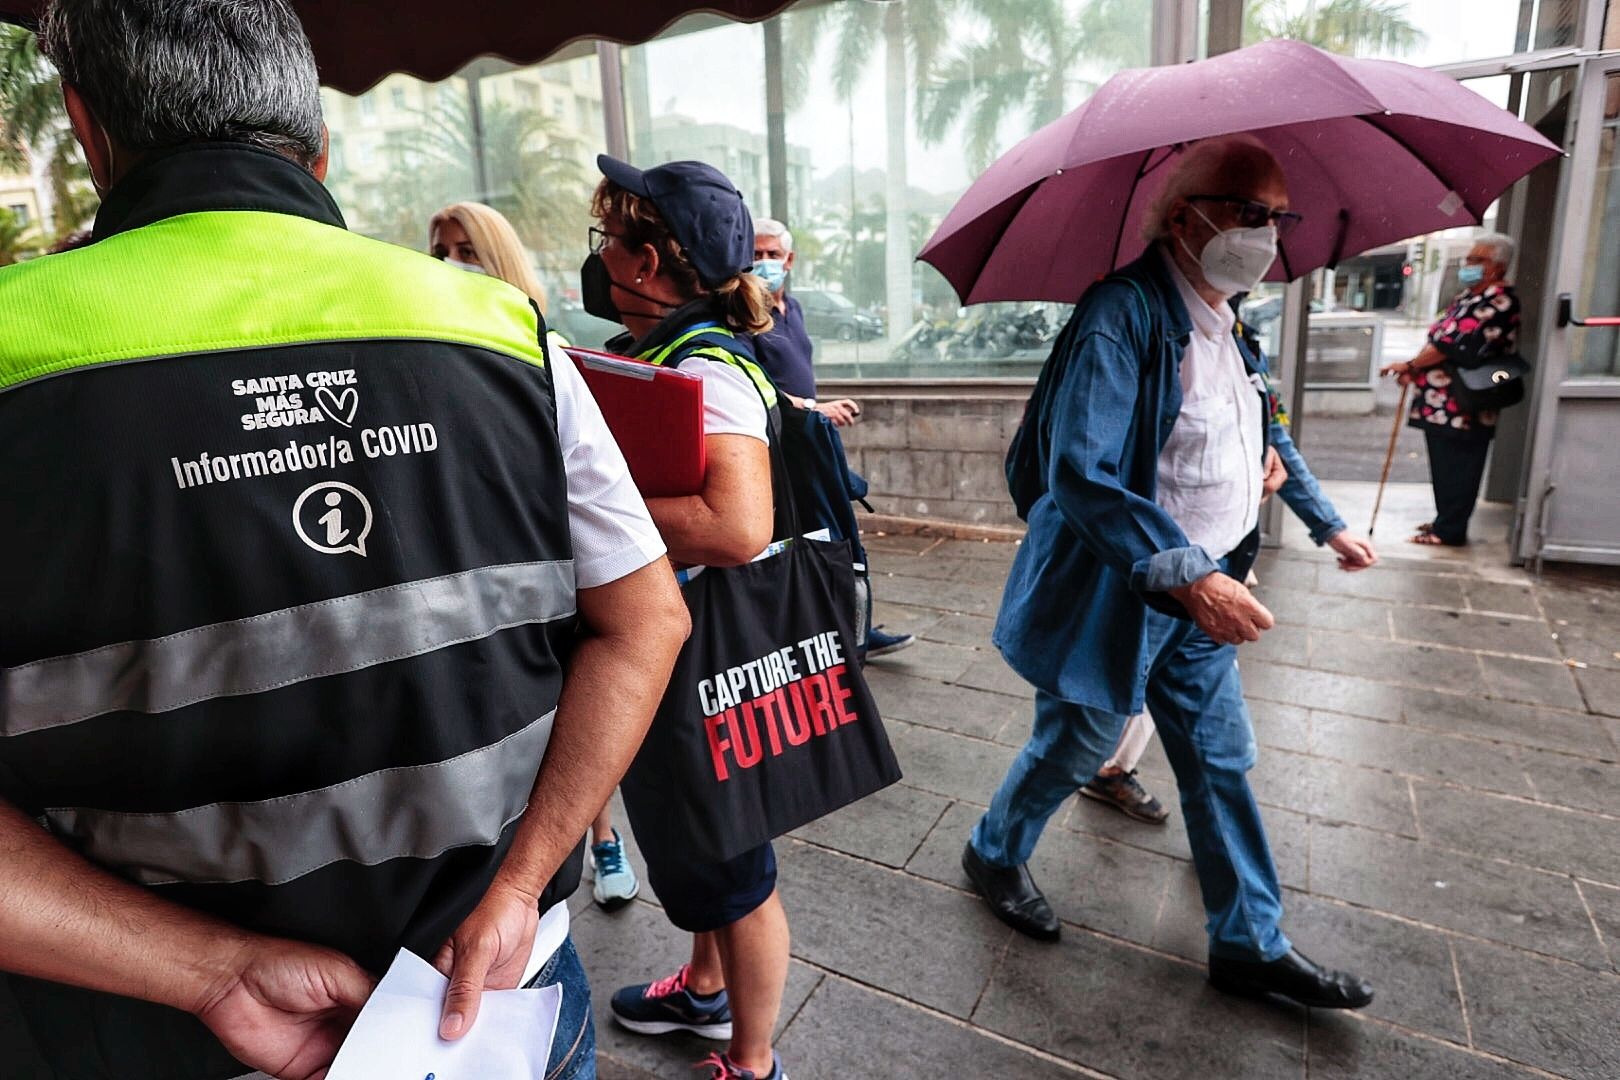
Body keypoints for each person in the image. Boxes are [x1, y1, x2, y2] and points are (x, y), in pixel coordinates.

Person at [0, 5, 690, 1080]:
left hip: (149, 1035)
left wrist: (212, 969)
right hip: (494, 1005)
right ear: (315, 145)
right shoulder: (502, 330)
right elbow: (648, 619)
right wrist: (518, 887)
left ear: (89, 131)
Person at [962, 134, 1374, 1011]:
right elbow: (1082, 469)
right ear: (1185, 215)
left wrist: (1321, 520)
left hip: (1206, 593)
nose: (1265, 234)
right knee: (1076, 742)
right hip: (1128, 589)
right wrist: (1190, 574)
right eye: (1247, 212)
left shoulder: (1234, 325)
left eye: (1276, 217)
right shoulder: (1124, 314)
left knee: (1220, 759)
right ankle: (993, 851)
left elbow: (1270, 433)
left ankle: (1250, 944)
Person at [583, 155, 791, 1080]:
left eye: (612, 241)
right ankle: (704, 987)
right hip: (670, 648)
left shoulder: (709, 367)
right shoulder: (658, 351)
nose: (601, 259)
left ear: (652, 263)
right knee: (700, 850)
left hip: (706, 664)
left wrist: (584, 507)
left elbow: (739, 526)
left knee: (737, 873)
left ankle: (752, 1061)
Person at [429, 200, 643, 914]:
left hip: (557, 578)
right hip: (474, 581)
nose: (450, 265)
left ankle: (601, 841)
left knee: (576, 714)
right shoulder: (419, 351)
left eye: (466, 250)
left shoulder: (534, 349)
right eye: (439, 251)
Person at [1082, 354, 1378, 825]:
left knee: (1218, 744)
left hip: (1221, 565)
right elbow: (1089, 468)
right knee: (1086, 724)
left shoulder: (1243, 346)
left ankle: (1219, 853)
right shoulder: (1139, 335)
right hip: (1156, 566)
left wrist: (1330, 526)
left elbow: (1274, 440)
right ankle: (1017, 830)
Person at [752, 216, 915, 661]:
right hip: (778, 444)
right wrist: (810, 407)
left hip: (811, 443)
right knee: (805, 545)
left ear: (790, 260)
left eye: (772, 255)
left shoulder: (795, 309)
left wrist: (818, 408)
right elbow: (752, 382)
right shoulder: (745, 317)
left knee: (837, 538)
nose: (764, 263)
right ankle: (829, 635)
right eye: (756, 255)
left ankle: (854, 627)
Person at [1379, 233, 1521, 547]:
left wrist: (1411, 365)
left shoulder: (1499, 300)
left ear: (1497, 267)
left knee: (1461, 464)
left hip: (1466, 402)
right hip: (1441, 401)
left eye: (1477, 260)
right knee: (1444, 463)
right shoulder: (1467, 297)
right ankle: (1445, 519)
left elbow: (1449, 345)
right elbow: (1439, 338)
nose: (1468, 265)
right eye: (1468, 258)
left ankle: (1451, 529)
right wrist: (1415, 369)